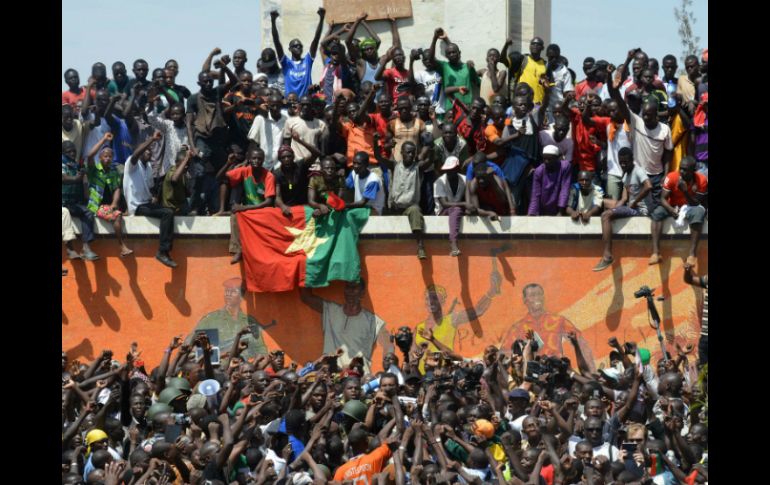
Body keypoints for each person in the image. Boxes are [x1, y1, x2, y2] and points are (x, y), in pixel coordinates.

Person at [299, 279, 393, 372]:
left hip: (356, 376)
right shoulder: (331, 310)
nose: (350, 291)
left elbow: (388, 345)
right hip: (330, 372)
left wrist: (389, 369)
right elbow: (306, 297)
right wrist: (306, 270)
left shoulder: (372, 321)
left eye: (354, 287)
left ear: (362, 293)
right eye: (348, 287)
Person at [501, 283, 595, 366]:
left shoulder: (558, 320)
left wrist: (591, 372)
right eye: (533, 295)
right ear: (525, 300)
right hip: (533, 373)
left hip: (556, 371)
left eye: (539, 294)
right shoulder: (518, 327)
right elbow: (504, 353)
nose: (537, 298)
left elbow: (582, 344)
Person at [123, 130, 177, 268]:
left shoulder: (148, 168)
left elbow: (151, 188)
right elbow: (135, 154)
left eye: (150, 152)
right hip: (137, 206)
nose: (149, 153)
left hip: (146, 203)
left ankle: (165, 251)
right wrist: (152, 139)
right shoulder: (132, 164)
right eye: (147, 151)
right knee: (167, 213)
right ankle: (162, 251)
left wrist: (154, 197)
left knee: (170, 210)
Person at [593, 147, 652, 271]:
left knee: (605, 215)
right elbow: (624, 198)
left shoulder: (638, 171)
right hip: (630, 206)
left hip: (640, 210)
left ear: (632, 160)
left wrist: (635, 202)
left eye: (626, 162)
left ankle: (607, 255)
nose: (623, 164)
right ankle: (603, 233)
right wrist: (616, 209)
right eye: (621, 162)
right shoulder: (625, 176)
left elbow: (648, 186)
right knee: (601, 202)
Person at [374, 137, 432, 259]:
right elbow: (378, 157)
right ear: (402, 153)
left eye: (413, 152)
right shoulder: (394, 166)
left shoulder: (418, 167)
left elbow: (430, 160)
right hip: (394, 207)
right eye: (408, 152)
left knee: (416, 210)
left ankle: (420, 246)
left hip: (409, 208)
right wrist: (375, 142)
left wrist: (430, 146)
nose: (410, 155)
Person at [649, 157, 707, 267]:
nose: (681, 171)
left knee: (699, 213)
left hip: (690, 206)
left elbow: (696, 204)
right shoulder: (671, 177)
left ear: (693, 170)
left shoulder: (702, 180)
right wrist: (671, 210)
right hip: (672, 205)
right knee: (657, 213)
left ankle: (692, 255)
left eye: (685, 170)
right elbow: (662, 199)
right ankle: (656, 253)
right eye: (680, 168)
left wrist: (685, 191)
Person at [193, 277, 269, 361]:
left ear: (242, 295)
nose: (228, 294)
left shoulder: (250, 321)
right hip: (218, 369)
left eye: (233, 291)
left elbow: (261, 350)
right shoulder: (210, 320)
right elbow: (193, 346)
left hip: (244, 369)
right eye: (226, 291)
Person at [187, 68, 229, 215]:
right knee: (198, 174)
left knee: (224, 173)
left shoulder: (217, 93)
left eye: (210, 81)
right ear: (199, 83)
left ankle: (221, 208)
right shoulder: (193, 99)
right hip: (202, 139)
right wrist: (193, 147)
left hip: (217, 140)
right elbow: (188, 124)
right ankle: (194, 206)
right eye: (205, 81)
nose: (208, 84)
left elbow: (235, 82)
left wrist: (225, 67)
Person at [84, 132, 133, 257]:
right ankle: (122, 246)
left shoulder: (113, 171)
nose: (107, 158)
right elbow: (89, 156)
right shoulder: (94, 170)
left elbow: (117, 189)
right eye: (105, 156)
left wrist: (114, 203)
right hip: (95, 206)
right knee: (117, 215)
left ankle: (122, 247)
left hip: (108, 205)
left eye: (110, 156)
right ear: (100, 158)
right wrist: (104, 140)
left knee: (117, 214)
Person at [225, 147, 275, 264]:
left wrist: (244, 207)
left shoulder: (269, 176)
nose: (256, 161)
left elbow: (268, 202)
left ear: (263, 161)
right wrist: (228, 163)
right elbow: (221, 178)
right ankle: (238, 250)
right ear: (248, 159)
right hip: (248, 210)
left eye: (259, 159)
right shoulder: (244, 170)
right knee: (234, 216)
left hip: (263, 210)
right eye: (254, 158)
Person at [271, 7, 326, 98]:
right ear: (290, 49)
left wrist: (321, 18)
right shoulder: (286, 63)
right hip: (291, 103)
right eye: (295, 46)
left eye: (300, 46)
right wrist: (273, 21)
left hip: (306, 102)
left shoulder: (307, 61)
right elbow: (276, 41)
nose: (298, 47)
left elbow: (316, 40)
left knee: (322, 99)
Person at [426, 27, 480, 115]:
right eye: (449, 53)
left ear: (460, 53)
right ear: (446, 56)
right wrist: (435, 38)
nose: (452, 54)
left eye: (454, 52)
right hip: (451, 111)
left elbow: (479, 83)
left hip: (467, 110)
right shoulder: (444, 66)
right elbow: (431, 59)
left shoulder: (468, 66)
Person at [61, 141, 99, 261]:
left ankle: (86, 248)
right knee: (65, 214)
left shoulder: (76, 165)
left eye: (74, 151)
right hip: (63, 203)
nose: (72, 153)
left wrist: (83, 175)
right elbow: (64, 178)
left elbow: (83, 184)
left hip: (74, 202)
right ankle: (70, 249)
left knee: (88, 213)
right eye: (69, 151)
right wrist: (76, 178)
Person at [434, 156, 468, 256]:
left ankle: (454, 244)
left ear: (457, 169)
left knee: (458, 210)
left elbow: (468, 199)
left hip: (458, 211)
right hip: (442, 213)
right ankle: (453, 243)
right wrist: (463, 204)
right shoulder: (439, 182)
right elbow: (444, 204)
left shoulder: (465, 180)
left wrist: (466, 205)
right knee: (456, 209)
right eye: (447, 170)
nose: (449, 172)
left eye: (452, 169)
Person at [528, 145, 572, 216]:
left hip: (559, 206)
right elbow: (535, 194)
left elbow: (565, 189)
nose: (546, 161)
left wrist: (560, 211)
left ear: (557, 158)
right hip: (543, 206)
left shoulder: (565, 167)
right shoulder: (539, 171)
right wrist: (531, 213)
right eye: (544, 159)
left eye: (549, 159)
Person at [161, 149, 193, 215]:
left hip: (180, 206)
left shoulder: (184, 175)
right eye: (184, 164)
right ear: (176, 163)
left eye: (188, 164)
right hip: (170, 208)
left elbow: (188, 194)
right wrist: (186, 158)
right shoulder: (172, 171)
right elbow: (174, 179)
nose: (186, 166)